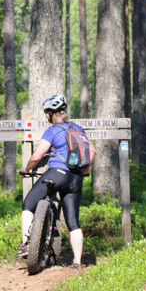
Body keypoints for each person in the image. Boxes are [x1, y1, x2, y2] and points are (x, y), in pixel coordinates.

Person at [17, 94, 95, 269]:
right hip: (76, 178)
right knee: (73, 221)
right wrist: (84, 172)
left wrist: (26, 169)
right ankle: (77, 262)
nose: (46, 116)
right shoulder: (78, 129)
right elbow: (92, 150)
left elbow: (37, 156)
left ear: (52, 113)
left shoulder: (53, 130)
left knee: (28, 205)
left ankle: (26, 244)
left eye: (47, 113)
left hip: (57, 173)